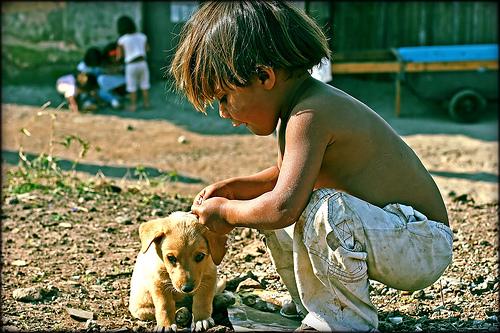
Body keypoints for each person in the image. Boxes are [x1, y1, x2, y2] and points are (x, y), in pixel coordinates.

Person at [169, 2, 453, 332]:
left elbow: (284, 205)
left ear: (264, 76)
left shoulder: (310, 115)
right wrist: (235, 190)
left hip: (421, 242)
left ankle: (342, 322)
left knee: (320, 208)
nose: (223, 112)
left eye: (223, 98)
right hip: (391, 234)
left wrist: (226, 212)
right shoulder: (297, 113)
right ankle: (313, 305)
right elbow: (284, 180)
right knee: (275, 211)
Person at [116, 15, 151, 112]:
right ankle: (146, 103)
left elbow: (120, 56)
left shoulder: (122, 40)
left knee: (132, 87)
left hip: (131, 65)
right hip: (143, 63)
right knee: (145, 84)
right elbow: (147, 49)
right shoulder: (142, 36)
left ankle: (133, 106)